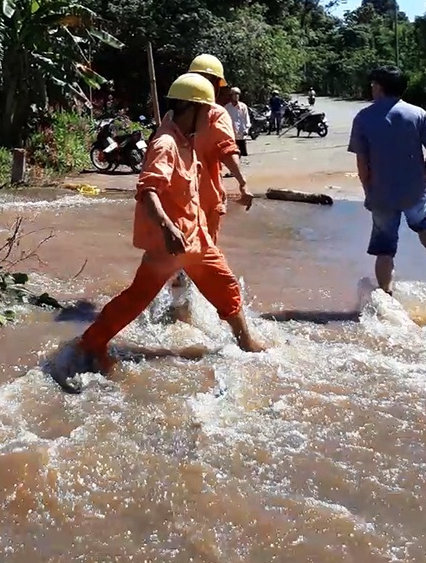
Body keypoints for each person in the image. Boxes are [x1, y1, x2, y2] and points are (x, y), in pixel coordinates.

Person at [49, 74, 267, 393]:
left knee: (222, 287)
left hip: (195, 240)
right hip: (174, 244)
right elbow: (148, 190)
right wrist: (167, 227)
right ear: (190, 108)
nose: (210, 116)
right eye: (206, 110)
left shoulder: (185, 139)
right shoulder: (166, 143)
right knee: (137, 299)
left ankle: (246, 342)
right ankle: (90, 344)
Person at [348, 65, 426, 295]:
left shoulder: (364, 118)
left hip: (381, 193)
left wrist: (367, 190)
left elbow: (362, 164)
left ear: (379, 87)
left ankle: (386, 298)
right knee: (424, 226)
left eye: (372, 85)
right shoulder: (418, 114)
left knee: (385, 248)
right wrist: (423, 176)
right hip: (415, 190)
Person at [166, 55, 254, 319]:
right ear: (217, 85)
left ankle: (179, 310)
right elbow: (227, 150)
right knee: (204, 257)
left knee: (178, 256)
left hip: (177, 199)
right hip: (205, 200)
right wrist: (242, 182)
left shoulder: (173, 115)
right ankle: (196, 313)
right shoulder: (216, 113)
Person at [225, 86, 251, 158]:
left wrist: (247, 129)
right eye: (234, 94)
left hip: (241, 133)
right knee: (234, 153)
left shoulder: (243, 106)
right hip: (231, 134)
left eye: (237, 94)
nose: (236, 96)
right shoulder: (227, 108)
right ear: (231, 96)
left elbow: (246, 118)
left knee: (242, 153)